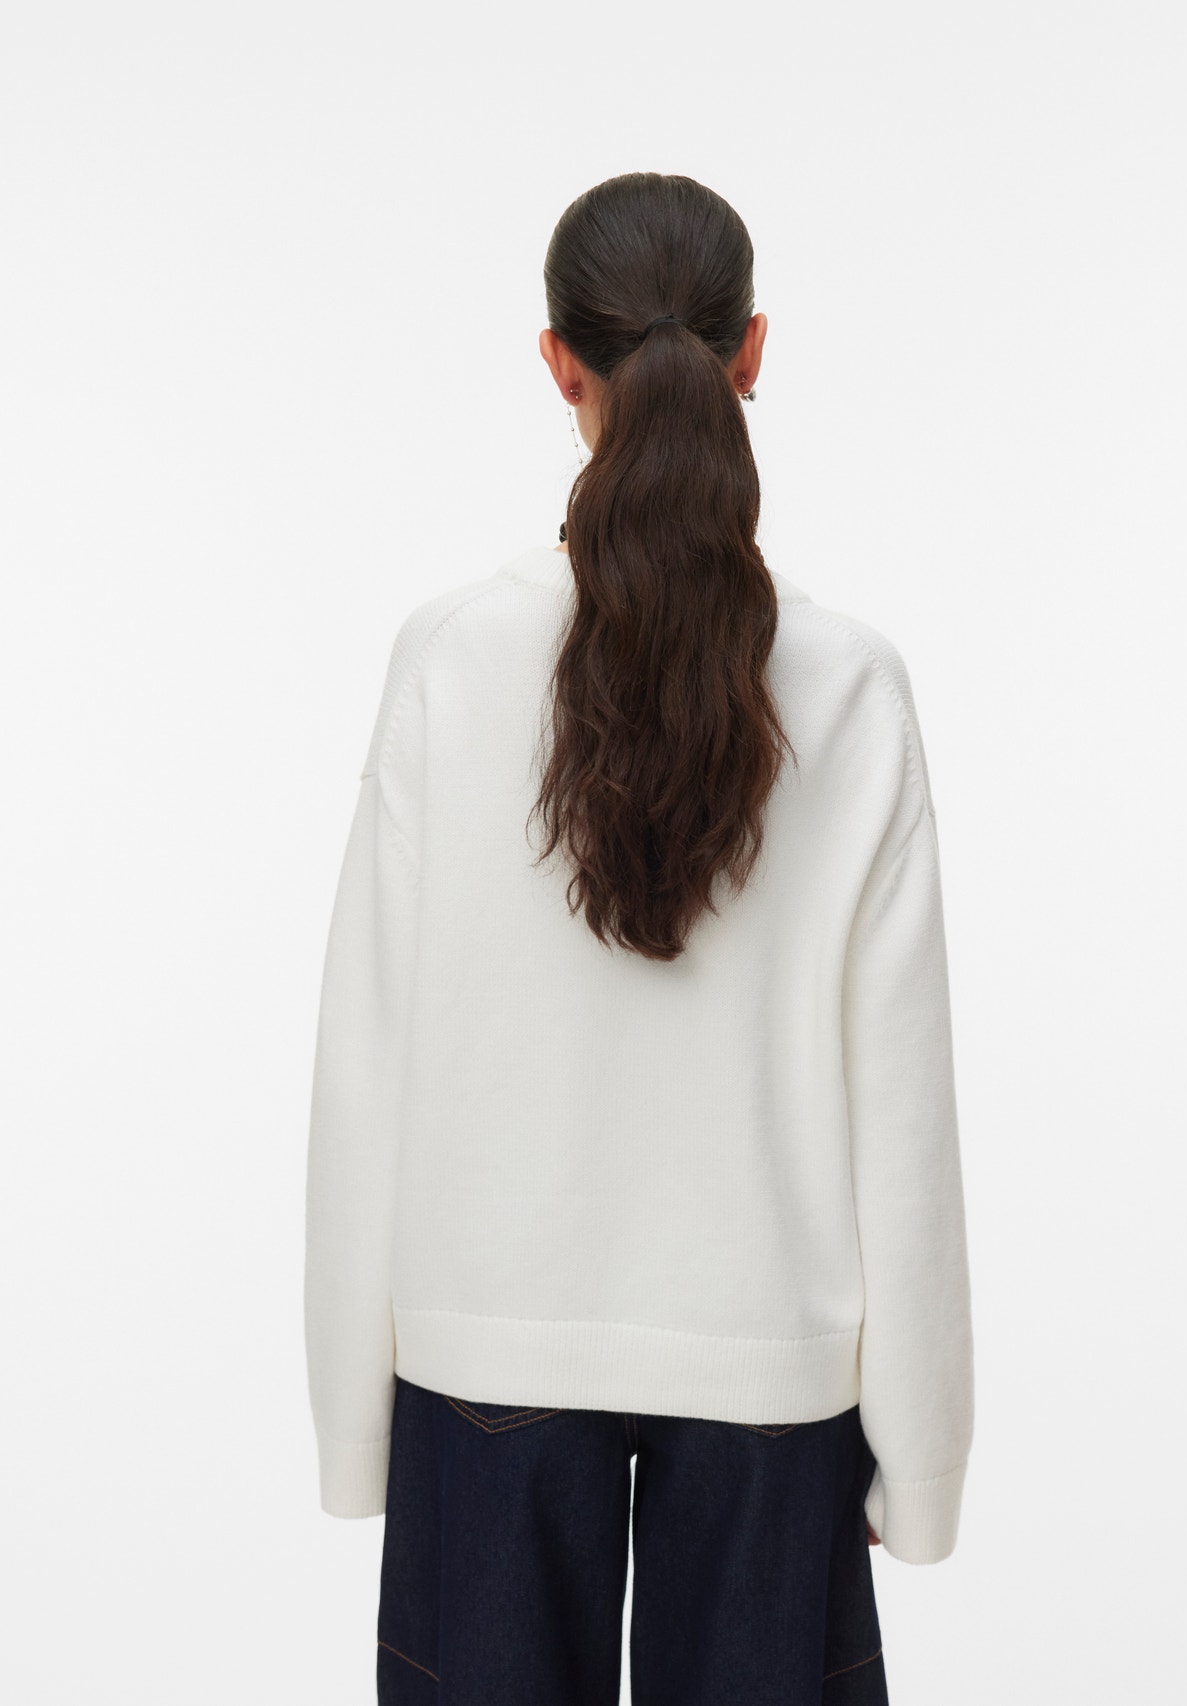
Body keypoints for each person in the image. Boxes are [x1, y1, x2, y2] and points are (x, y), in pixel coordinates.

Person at [304, 170, 974, 1706]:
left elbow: (366, 1059)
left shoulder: (449, 658)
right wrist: (924, 1452)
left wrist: (353, 1419)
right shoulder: (852, 683)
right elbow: (905, 1103)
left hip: (482, 1354)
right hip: (772, 1374)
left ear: (559, 363)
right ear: (753, 353)